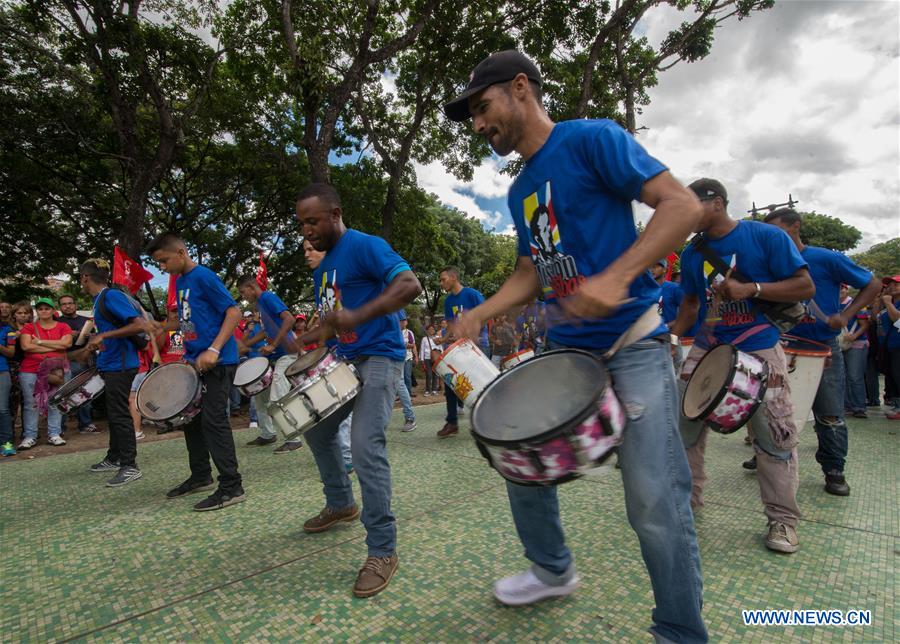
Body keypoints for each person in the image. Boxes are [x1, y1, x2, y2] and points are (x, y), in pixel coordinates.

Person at [444, 50, 706, 641]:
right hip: (568, 355)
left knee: (654, 504)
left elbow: (682, 205)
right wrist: (477, 314)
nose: (479, 126)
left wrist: (615, 278)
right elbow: (530, 272)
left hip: (633, 345)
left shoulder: (592, 140)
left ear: (520, 88)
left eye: (483, 108)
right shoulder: (520, 192)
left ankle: (680, 632)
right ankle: (553, 569)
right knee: (516, 455)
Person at [670, 180, 814, 555]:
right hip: (708, 345)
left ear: (716, 203)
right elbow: (689, 306)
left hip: (758, 344)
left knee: (773, 434)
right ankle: (686, 502)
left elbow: (805, 286)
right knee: (684, 426)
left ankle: (782, 519)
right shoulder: (691, 253)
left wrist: (753, 290)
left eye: (692, 205)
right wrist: (665, 336)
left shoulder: (765, 237)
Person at [293, 182, 421, 598]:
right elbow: (333, 322)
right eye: (301, 224)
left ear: (334, 213)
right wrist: (305, 338)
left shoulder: (366, 246)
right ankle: (341, 503)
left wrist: (358, 315)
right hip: (345, 362)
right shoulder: (325, 266)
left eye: (312, 221)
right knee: (316, 429)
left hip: (381, 357)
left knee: (366, 445)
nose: (306, 231)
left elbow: (409, 285)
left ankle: (383, 549)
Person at [764, 208, 879, 495]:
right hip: (781, 345)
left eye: (779, 232)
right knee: (772, 409)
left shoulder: (826, 258)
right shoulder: (770, 264)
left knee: (829, 413)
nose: (775, 240)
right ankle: (767, 455)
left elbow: (872, 283)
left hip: (821, 348)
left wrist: (846, 313)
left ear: (796, 228)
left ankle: (834, 470)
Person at [147, 233, 245, 511]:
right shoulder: (181, 282)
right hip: (195, 363)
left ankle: (232, 486)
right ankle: (201, 475)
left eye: (164, 261)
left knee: (214, 421)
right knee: (191, 421)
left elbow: (234, 312)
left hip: (220, 361)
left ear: (180, 252)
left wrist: (213, 349)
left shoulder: (204, 276)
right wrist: (168, 332)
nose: (162, 267)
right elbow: (190, 323)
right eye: (158, 263)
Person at [74, 259, 146, 486]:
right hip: (110, 363)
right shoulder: (99, 301)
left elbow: (138, 325)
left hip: (121, 365)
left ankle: (129, 465)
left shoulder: (110, 296)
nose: (81, 282)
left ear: (85, 277)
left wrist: (104, 336)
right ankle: (115, 457)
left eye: (80, 278)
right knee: (113, 413)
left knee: (119, 414)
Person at [236, 275, 304, 454]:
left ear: (251, 287)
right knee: (259, 396)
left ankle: (294, 439)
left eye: (243, 292)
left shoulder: (267, 297)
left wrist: (274, 345)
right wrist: (245, 345)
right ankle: (268, 434)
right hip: (277, 356)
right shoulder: (259, 305)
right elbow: (267, 333)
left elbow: (289, 319)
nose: (243, 297)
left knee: (278, 396)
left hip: (287, 354)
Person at [17, 297, 73, 449]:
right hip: (31, 369)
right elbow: (26, 347)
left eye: (47, 308)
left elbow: (67, 343)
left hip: (57, 370)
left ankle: (54, 434)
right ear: (37, 311)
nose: (44, 311)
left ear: (53, 310)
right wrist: (56, 348)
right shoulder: (29, 327)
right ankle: (30, 436)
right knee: (31, 404)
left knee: (55, 401)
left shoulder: (63, 326)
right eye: (40, 309)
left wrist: (40, 343)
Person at [436, 267, 484, 438]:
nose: (441, 283)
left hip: (476, 346)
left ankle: (485, 420)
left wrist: (475, 336)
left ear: (453, 277)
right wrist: (444, 338)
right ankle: (452, 422)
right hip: (460, 346)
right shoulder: (448, 301)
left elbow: (485, 315)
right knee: (450, 381)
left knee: (479, 383)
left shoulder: (472, 295)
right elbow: (450, 323)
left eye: (443, 279)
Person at [58, 294, 100, 434]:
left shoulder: (86, 320)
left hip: (85, 360)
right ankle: (59, 428)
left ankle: (86, 424)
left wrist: (90, 337)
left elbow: (96, 337)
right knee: (63, 394)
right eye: (64, 304)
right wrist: (70, 334)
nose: (68, 306)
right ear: (60, 307)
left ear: (75, 305)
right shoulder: (57, 322)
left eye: (70, 303)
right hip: (65, 361)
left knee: (85, 394)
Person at [879, 276, 900, 419]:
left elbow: (897, 318)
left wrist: (887, 303)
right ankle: (897, 405)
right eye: (890, 284)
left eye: (896, 284)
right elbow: (875, 318)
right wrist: (879, 301)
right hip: (891, 345)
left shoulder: (892, 304)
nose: (892, 287)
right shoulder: (892, 302)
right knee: (894, 376)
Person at [395, 311, 417, 432]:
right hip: (380, 354)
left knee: (401, 382)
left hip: (400, 356)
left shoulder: (394, 305)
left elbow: (412, 345)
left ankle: (410, 417)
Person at [0, 310, 13, 455]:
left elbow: (11, 352)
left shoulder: (8, 330)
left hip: (2, 372)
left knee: (2, 409)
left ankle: (7, 444)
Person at [419, 324, 441, 395]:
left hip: (436, 358)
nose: (431, 330)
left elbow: (441, 348)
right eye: (430, 329)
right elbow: (422, 349)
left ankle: (434, 390)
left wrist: (441, 357)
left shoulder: (438, 337)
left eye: (433, 329)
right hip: (427, 358)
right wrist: (422, 360)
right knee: (428, 374)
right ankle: (428, 390)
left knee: (435, 374)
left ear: (435, 330)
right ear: (427, 330)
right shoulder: (424, 339)